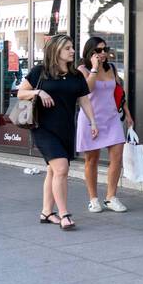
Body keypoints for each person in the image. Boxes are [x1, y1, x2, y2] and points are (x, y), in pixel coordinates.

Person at [17, 34, 98, 230]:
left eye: (72, 47)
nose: (72, 51)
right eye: (68, 48)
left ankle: (46, 212)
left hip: (65, 128)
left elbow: (84, 100)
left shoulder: (76, 76)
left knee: (53, 170)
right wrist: (38, 92)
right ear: (56, 51)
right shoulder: (40, 71)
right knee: (61, 168)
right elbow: (20, 93)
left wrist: (93, 122)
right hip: (43, 128)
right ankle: (64, 214)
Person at [76, 36, 134, 213]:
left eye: (104, 49)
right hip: (90, 119)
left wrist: (128, 114)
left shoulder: (112, 68)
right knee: (91, 159)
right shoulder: (82, 69)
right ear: (90, 52)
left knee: (117, 156)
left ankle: (111, 197)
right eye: (98, 50)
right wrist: (94, 68)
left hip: (111, 118)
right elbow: (87, 89)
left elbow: (118, 92)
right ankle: (93, 199)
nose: (103, 53)